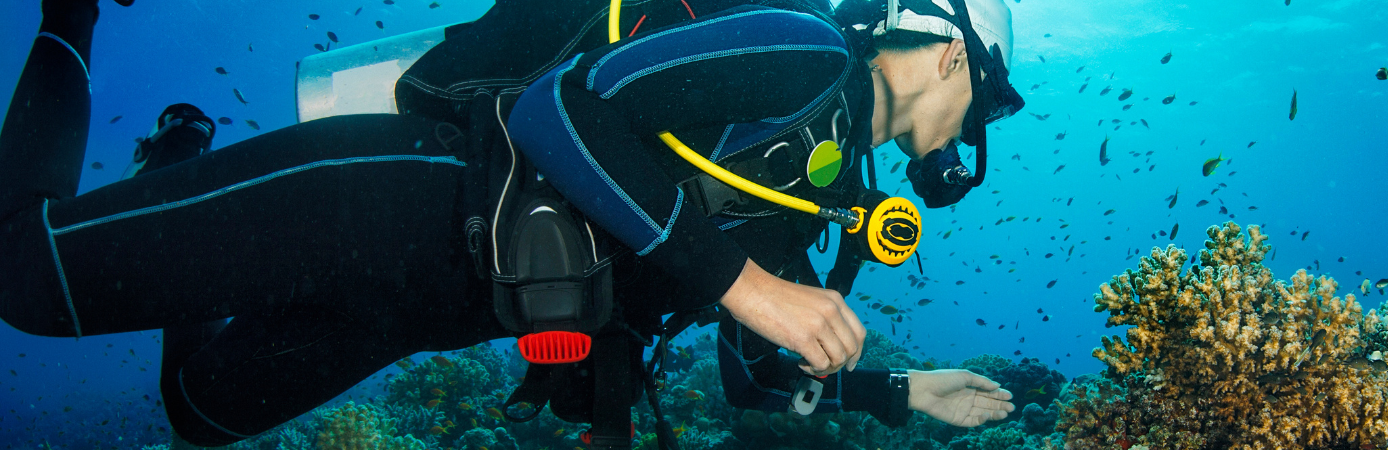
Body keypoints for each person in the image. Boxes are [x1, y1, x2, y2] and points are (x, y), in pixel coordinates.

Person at [0, 0, 1025, 447]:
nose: (966, 137)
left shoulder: (827, 200)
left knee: (197, 410)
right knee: (21, 279)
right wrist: (752, 289)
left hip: (422, 314)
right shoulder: (804, 54)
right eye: (981, 106)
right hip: (398, 198)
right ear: (948, 55)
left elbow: (750, 373)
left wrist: (897, 389)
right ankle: (70, 16)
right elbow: (559, 110)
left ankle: (175, 154)